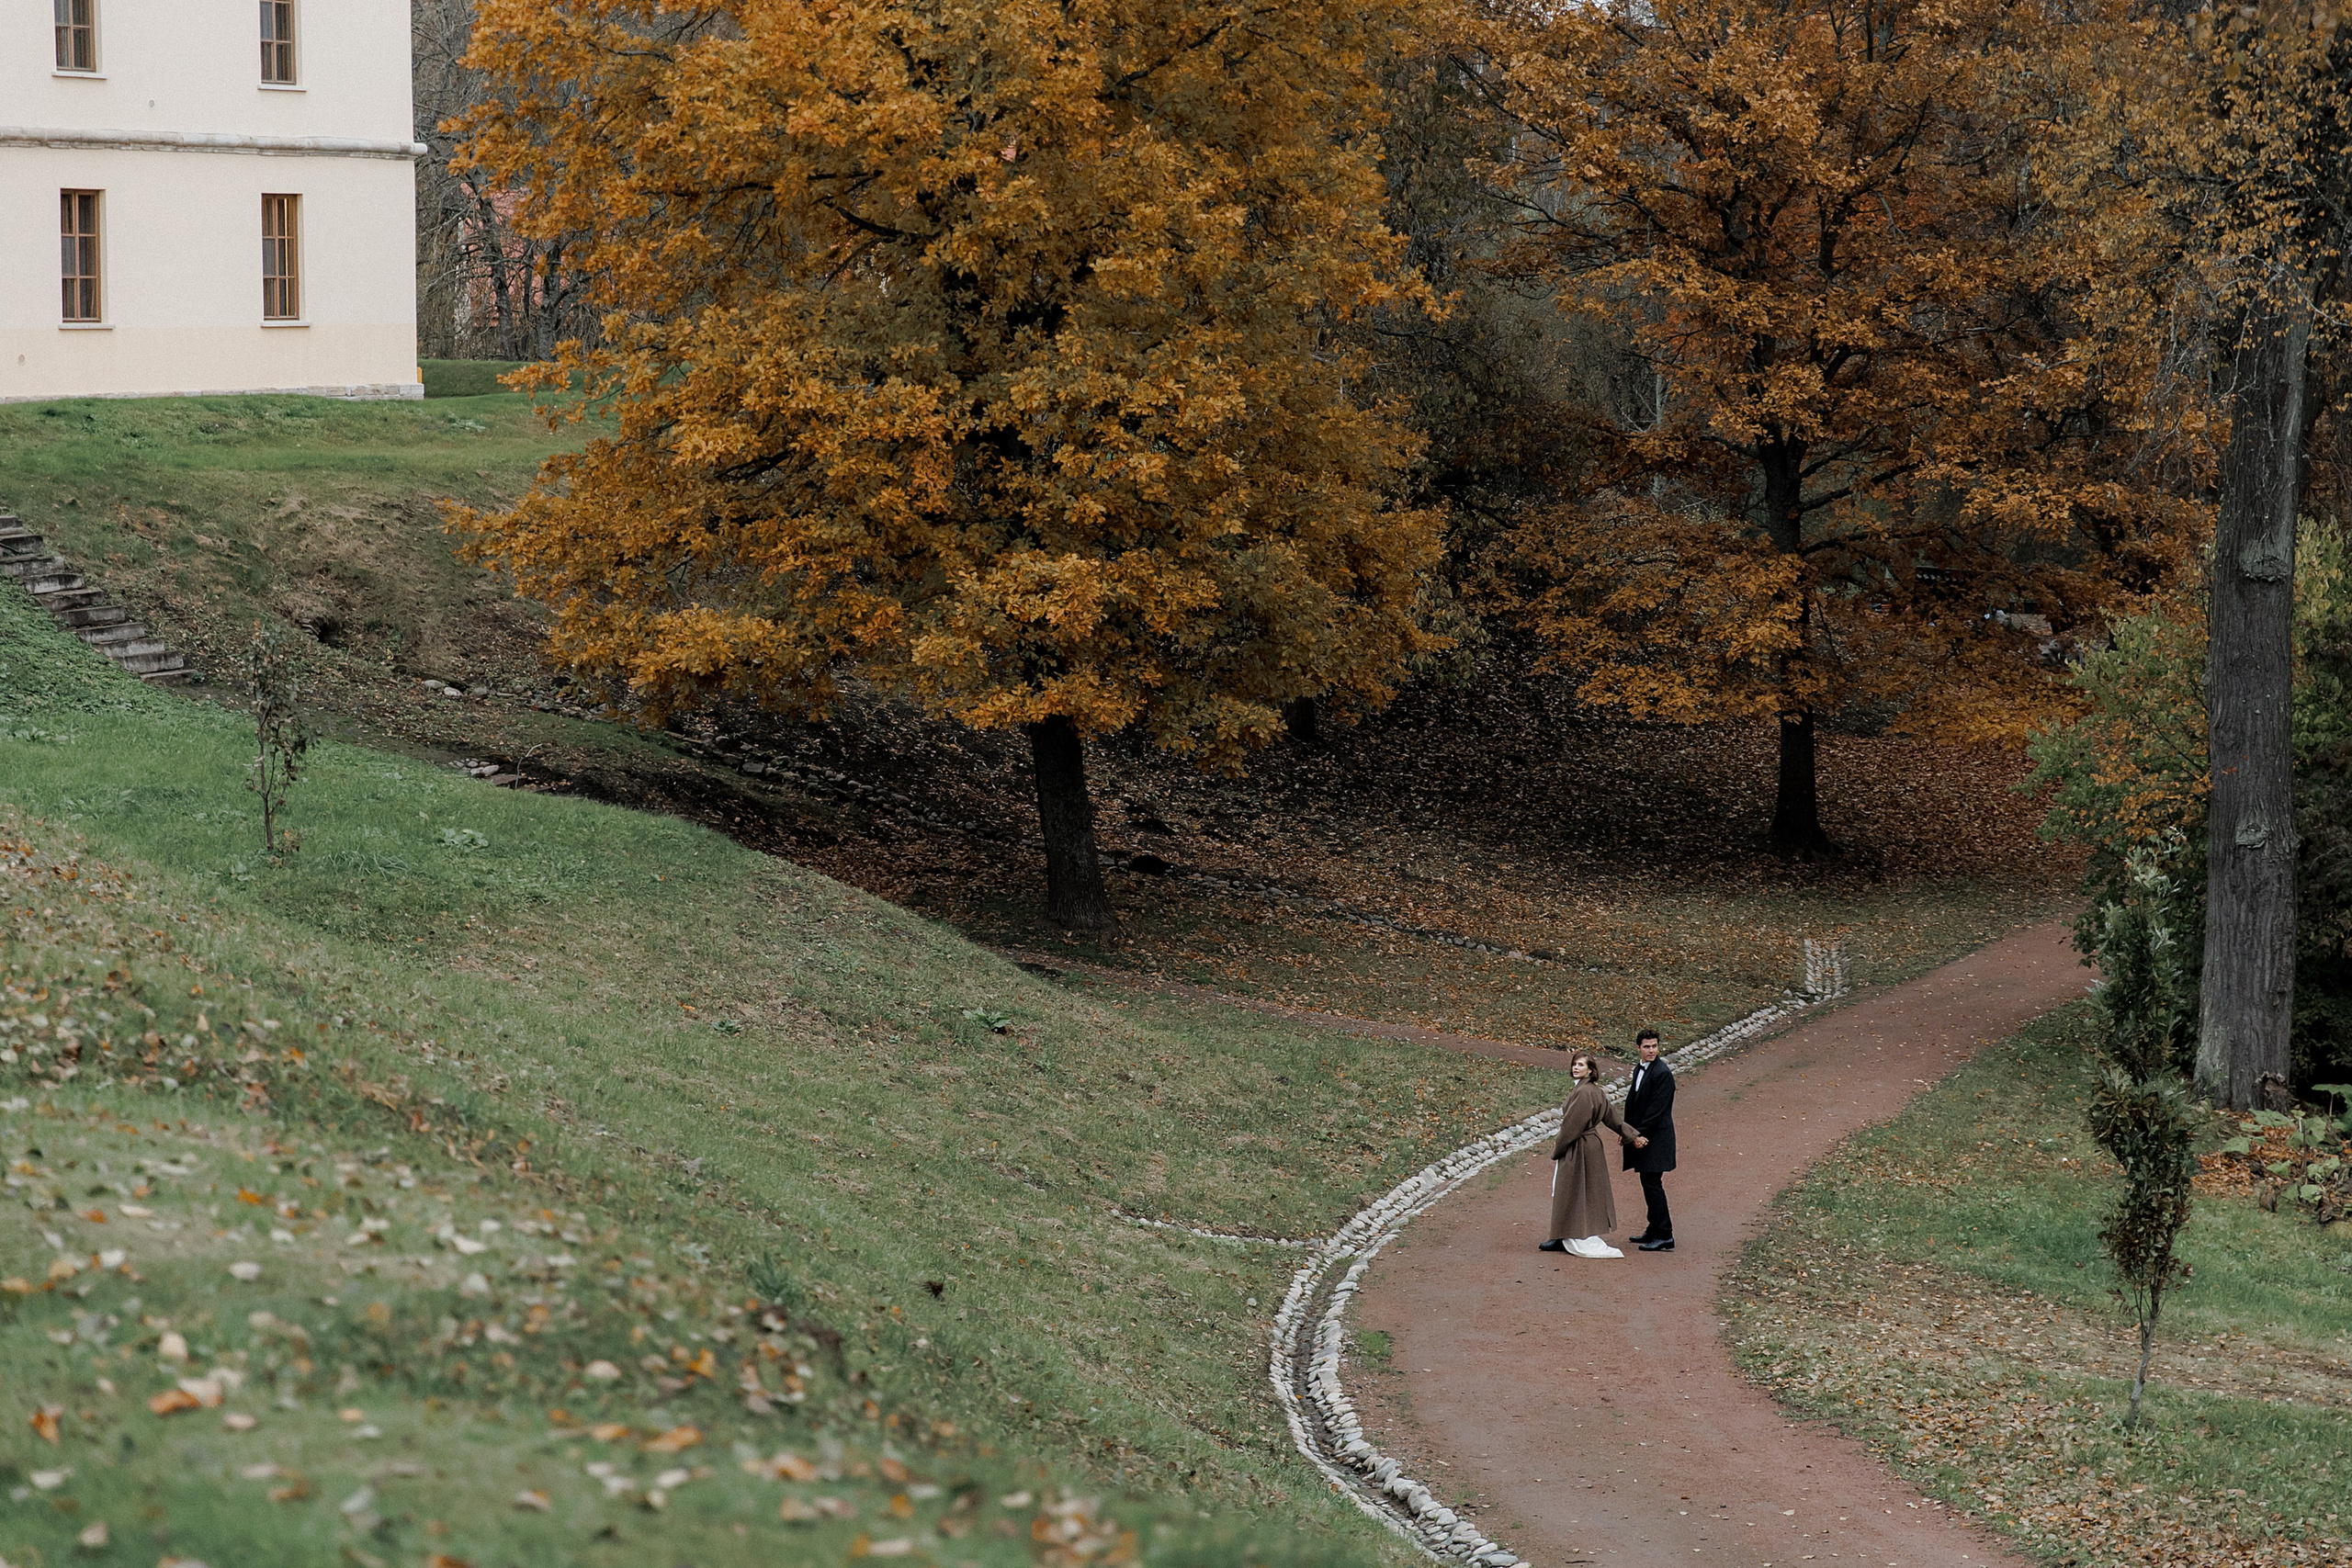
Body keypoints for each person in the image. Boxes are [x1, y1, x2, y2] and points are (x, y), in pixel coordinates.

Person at [1540, 1050, 1645, 1258]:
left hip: (1579, 1146)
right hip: (1591, 1145)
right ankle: (1563, 1234)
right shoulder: (1594, 1091)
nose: (1576, 1068)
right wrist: (1632, 1135)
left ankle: (1563, 1234)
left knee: (1568, 1188)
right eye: (1575, 1064)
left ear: (1590, 1070)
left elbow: (1571, 1127)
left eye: (1581, 1065)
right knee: (1580, 1189)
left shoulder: (1584, 1093)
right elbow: (1612, 1119)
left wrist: (1557, 1149)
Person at [1623, 1027, 1677, 1251]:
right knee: (1648, 1182)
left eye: (1654, 1046)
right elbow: (1633, 1102)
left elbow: (1656, 1111)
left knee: (1653, 1184)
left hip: (1656, 1138)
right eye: (1647, 1046)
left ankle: (1664, 1234)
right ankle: (1654, 1229)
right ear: (1639, 1048)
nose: (1651, 1050)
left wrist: (1636, 1133)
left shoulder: (1662, 1073)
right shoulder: (1640, 1069)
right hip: (1644, 1134)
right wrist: (1626, 1131)